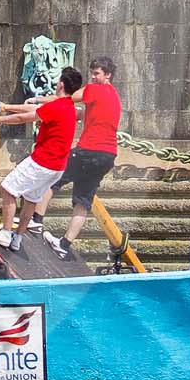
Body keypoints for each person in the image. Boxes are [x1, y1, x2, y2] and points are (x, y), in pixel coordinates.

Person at [0, 66, 84, 251]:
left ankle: (6, 234)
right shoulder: (69, 108)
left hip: (43, 161)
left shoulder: (56, 106)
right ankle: (17, 238)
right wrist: (5, 107)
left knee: (8, 189)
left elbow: (25, 117)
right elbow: (34, 108)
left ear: (61, 85)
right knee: (31, 198)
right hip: (57, 167)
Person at [54, 57, 122, 262]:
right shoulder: (114, 96)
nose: (93, 77)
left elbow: (69, 97)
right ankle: (64, 244)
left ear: (108, 75)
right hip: (108, 156)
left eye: (97, 73)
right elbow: (83, 113)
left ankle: (35, 220)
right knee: (83, 202)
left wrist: (42, 101)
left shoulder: (95, 89)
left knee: (52, 177)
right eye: (92, 73)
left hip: (89, 151)